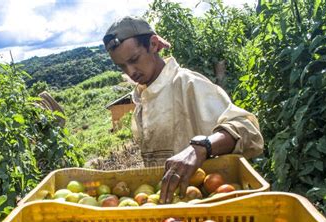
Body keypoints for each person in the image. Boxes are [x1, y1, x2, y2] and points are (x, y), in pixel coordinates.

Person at [103, 16, 264, 204]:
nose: (130, 72)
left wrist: (201, 148)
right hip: (169, 205)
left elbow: (248, 129)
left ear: (153, 44)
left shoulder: (188, 84)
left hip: (208, 203)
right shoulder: (142, 99)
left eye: (134, 59)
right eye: (122, 66)